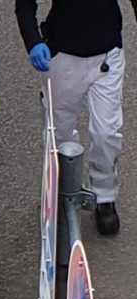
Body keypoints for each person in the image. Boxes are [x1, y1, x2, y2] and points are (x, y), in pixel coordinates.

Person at [16, 0, 137, 235]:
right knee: (59, 133)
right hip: (62, 57)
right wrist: (33, 43)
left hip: (107, 56)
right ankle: (63, 191)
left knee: (106, 133)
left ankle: (104, 197)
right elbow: (24, 4)